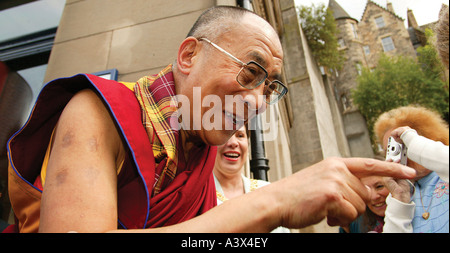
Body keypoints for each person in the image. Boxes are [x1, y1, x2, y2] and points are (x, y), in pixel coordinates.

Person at [6, 6, 415, 233]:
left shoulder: (200, 151)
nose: (257, 103)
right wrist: (271, 202)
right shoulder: (98, 111)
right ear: (189, 55)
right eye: (250, 73)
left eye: (270, 89)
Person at [374, 105, 449, 233]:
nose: (396, 158)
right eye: (390, 151)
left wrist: (414, 144)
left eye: (402, 146)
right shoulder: (401, 195)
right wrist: (400, 198)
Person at [213, 125, 289, 233]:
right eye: (225, 134)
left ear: (248, 143)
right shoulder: (198, 197)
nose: (233, 143)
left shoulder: (269, 191)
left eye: (240, 135)